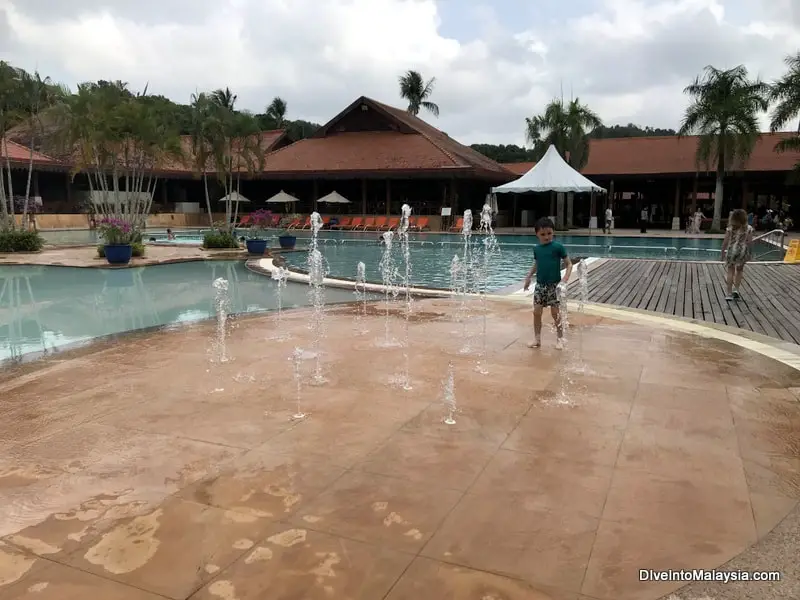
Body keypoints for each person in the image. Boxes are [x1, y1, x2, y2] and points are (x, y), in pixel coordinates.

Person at [523, 217, 573, 350]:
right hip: (540, 285)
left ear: (553, 232)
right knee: (536, 312)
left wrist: (565, 279)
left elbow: (569, 264)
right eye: (543, 234)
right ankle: (537, 339)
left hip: (554, 286)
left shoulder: (558, 247)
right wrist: (528, 277)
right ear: (537, 234)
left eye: (549, 233)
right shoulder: (537, 249)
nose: (547, 237)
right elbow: (537, 264)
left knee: (555, 313)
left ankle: (560, 339)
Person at [720, 208, 753, 301]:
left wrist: (722, 252)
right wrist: (750, 253)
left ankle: (729, 294)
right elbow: (750, 242)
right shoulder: (749, 228)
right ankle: (736, 290)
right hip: (742, 251)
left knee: (730, 271)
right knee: (739, 270)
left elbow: (725, 242)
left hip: (731, 251)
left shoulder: (730, 228)